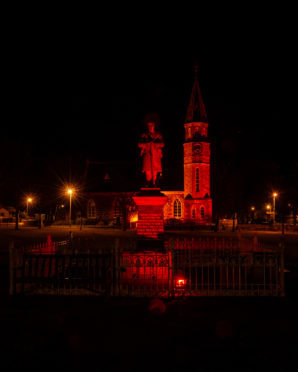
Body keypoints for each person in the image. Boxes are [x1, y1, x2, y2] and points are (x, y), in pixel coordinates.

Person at [138, 117, 164, 187]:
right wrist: (146, 143)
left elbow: (162, 144)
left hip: (155, 155)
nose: (150, 127)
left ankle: (154, 182)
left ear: (154, 126)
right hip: (147, 154)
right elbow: (139, 144)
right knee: (147, 169)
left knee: (155, 169)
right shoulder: (144, 135)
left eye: (151, 126)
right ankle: (148, 182)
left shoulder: (158, 135)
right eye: (149, 126)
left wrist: (155, 143)